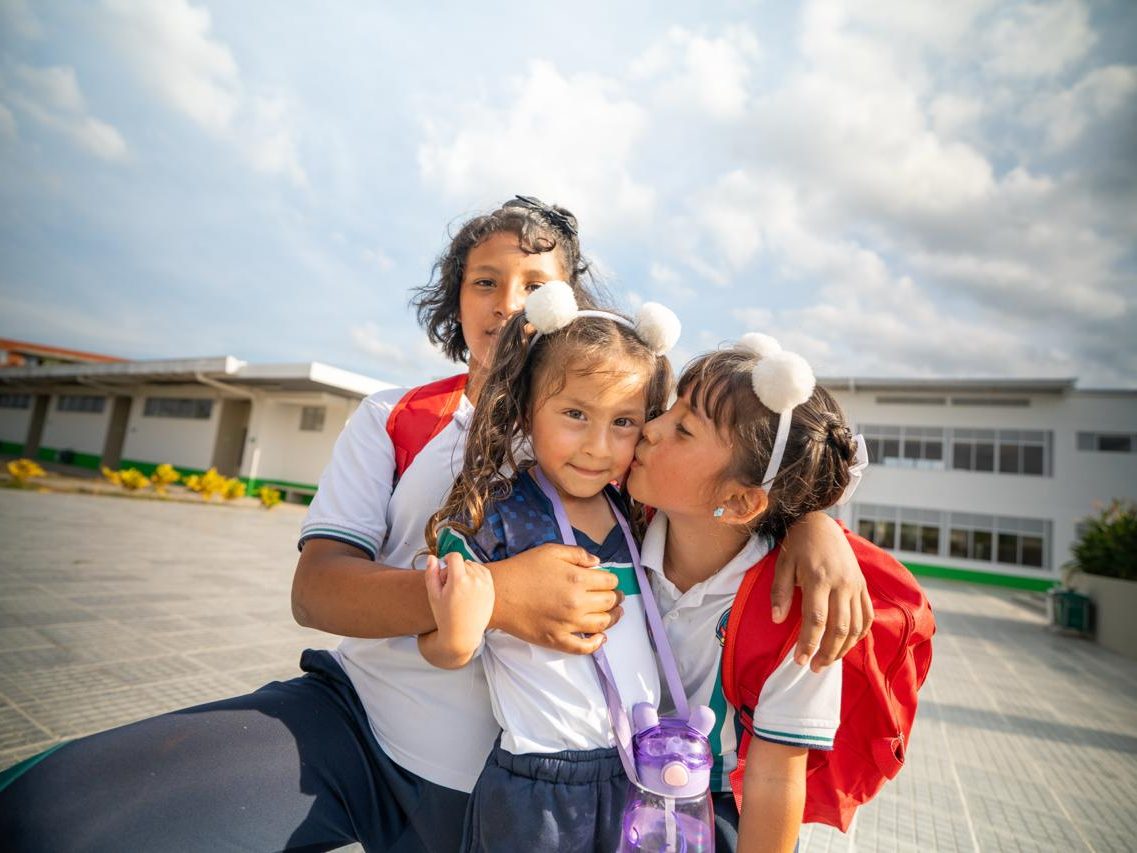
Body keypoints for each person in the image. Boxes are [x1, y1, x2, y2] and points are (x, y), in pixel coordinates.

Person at [0, 198, 869, 852]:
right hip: (360, 734)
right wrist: (487, 597)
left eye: (537, 283)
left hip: (528, 804)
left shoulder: (615, 452)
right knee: (61, 815)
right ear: (454, 300)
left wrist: (812, 523)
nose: (508, 300)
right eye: (484, 281)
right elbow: (315, 589)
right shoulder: (395, 417)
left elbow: (743, 458)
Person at [419, 282, 678, 851]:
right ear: (525, 407)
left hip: (640, 774)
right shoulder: (498, 515)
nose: (597, 445)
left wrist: (814, 530)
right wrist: (458, 637)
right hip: (538, 788)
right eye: (575, 414)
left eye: (624, 423)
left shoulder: (639, 513)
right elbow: (439, 646)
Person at [626, 336, 864, 852]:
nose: (650, 427)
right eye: (670, 410)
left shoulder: (797, 612)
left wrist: (815, 524)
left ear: (738, 502)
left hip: (713, 816)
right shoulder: (619, 523)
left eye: (683, 429)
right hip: (613, 788)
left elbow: (776, 781)